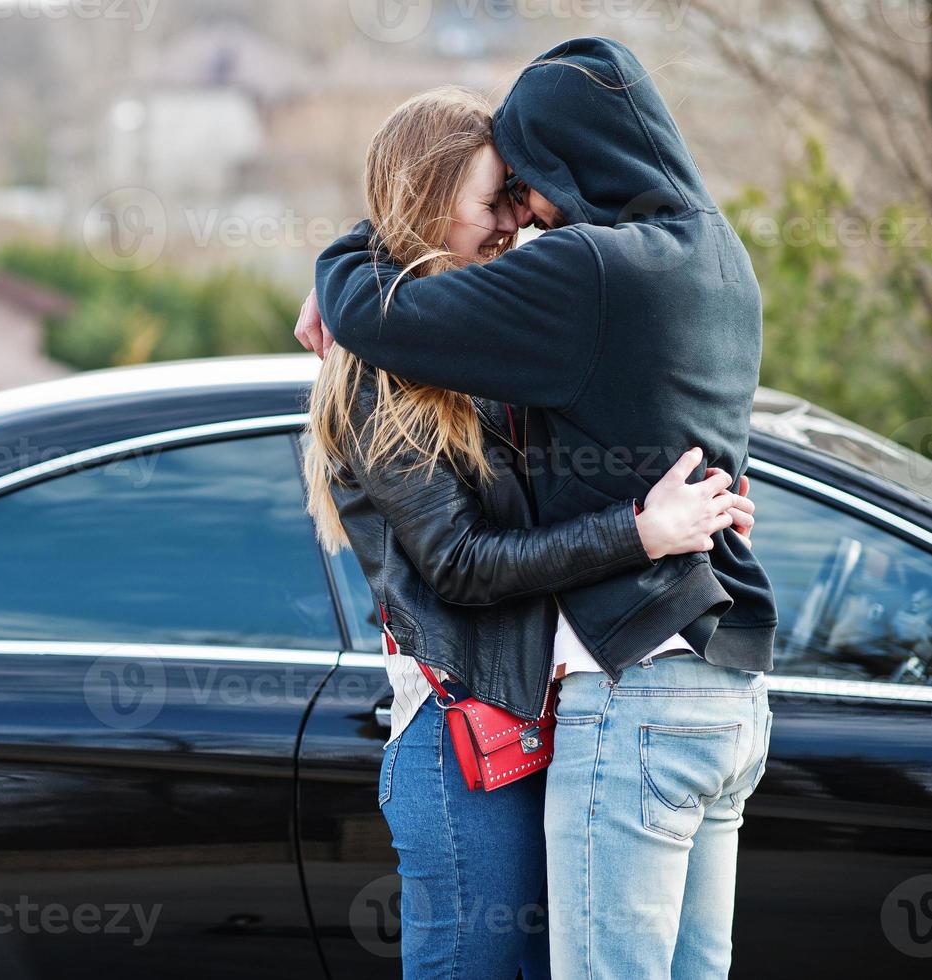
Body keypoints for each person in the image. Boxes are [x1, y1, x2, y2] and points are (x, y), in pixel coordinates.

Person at [296, 37, 776, 980]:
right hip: (468, 727)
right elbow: (466, 563)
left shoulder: (550, 306)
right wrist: (642, 528)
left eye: (526, 189)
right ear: (431, 206)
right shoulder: (394, 377)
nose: (523, 219)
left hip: (560, 712)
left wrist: (678, 519)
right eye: (499, 197)